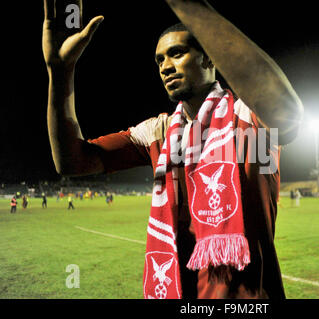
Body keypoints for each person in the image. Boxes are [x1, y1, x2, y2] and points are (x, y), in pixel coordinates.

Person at [42, 0, 303, 299]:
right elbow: (72, 162)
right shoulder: (159, 131)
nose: (165, 66)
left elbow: (286, 111)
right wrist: (60, 74)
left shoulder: (249, 118)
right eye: (159, 60)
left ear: (209, 58)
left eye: (177, 54)